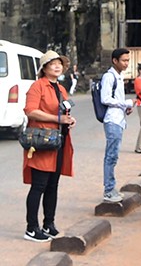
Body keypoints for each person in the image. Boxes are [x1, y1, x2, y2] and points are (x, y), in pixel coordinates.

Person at [23, 51, 76, 242]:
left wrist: (68, 120)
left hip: (59, 140)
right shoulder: (38, 86)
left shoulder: (60, 88)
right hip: (42, 141)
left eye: (59, 63)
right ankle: (31, 228)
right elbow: (30, 111)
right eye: (52, 63)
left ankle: (49, 224)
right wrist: (57, 118)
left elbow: (64, 110)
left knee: (53, 185)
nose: (57, 66)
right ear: (44, 68)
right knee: (39, 185)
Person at [100, 48, 135, 202]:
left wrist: (124, 107)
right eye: (124, 60)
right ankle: (108, 190)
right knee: (111, 156)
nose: (126, 63)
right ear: (115, 61)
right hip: (112, 120)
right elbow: (105, 98)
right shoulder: (109, 77)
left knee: (113, 155)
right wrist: (125, 103)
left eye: (128, 60)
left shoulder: (119, 76)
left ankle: (111, 188)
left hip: (118, 119)